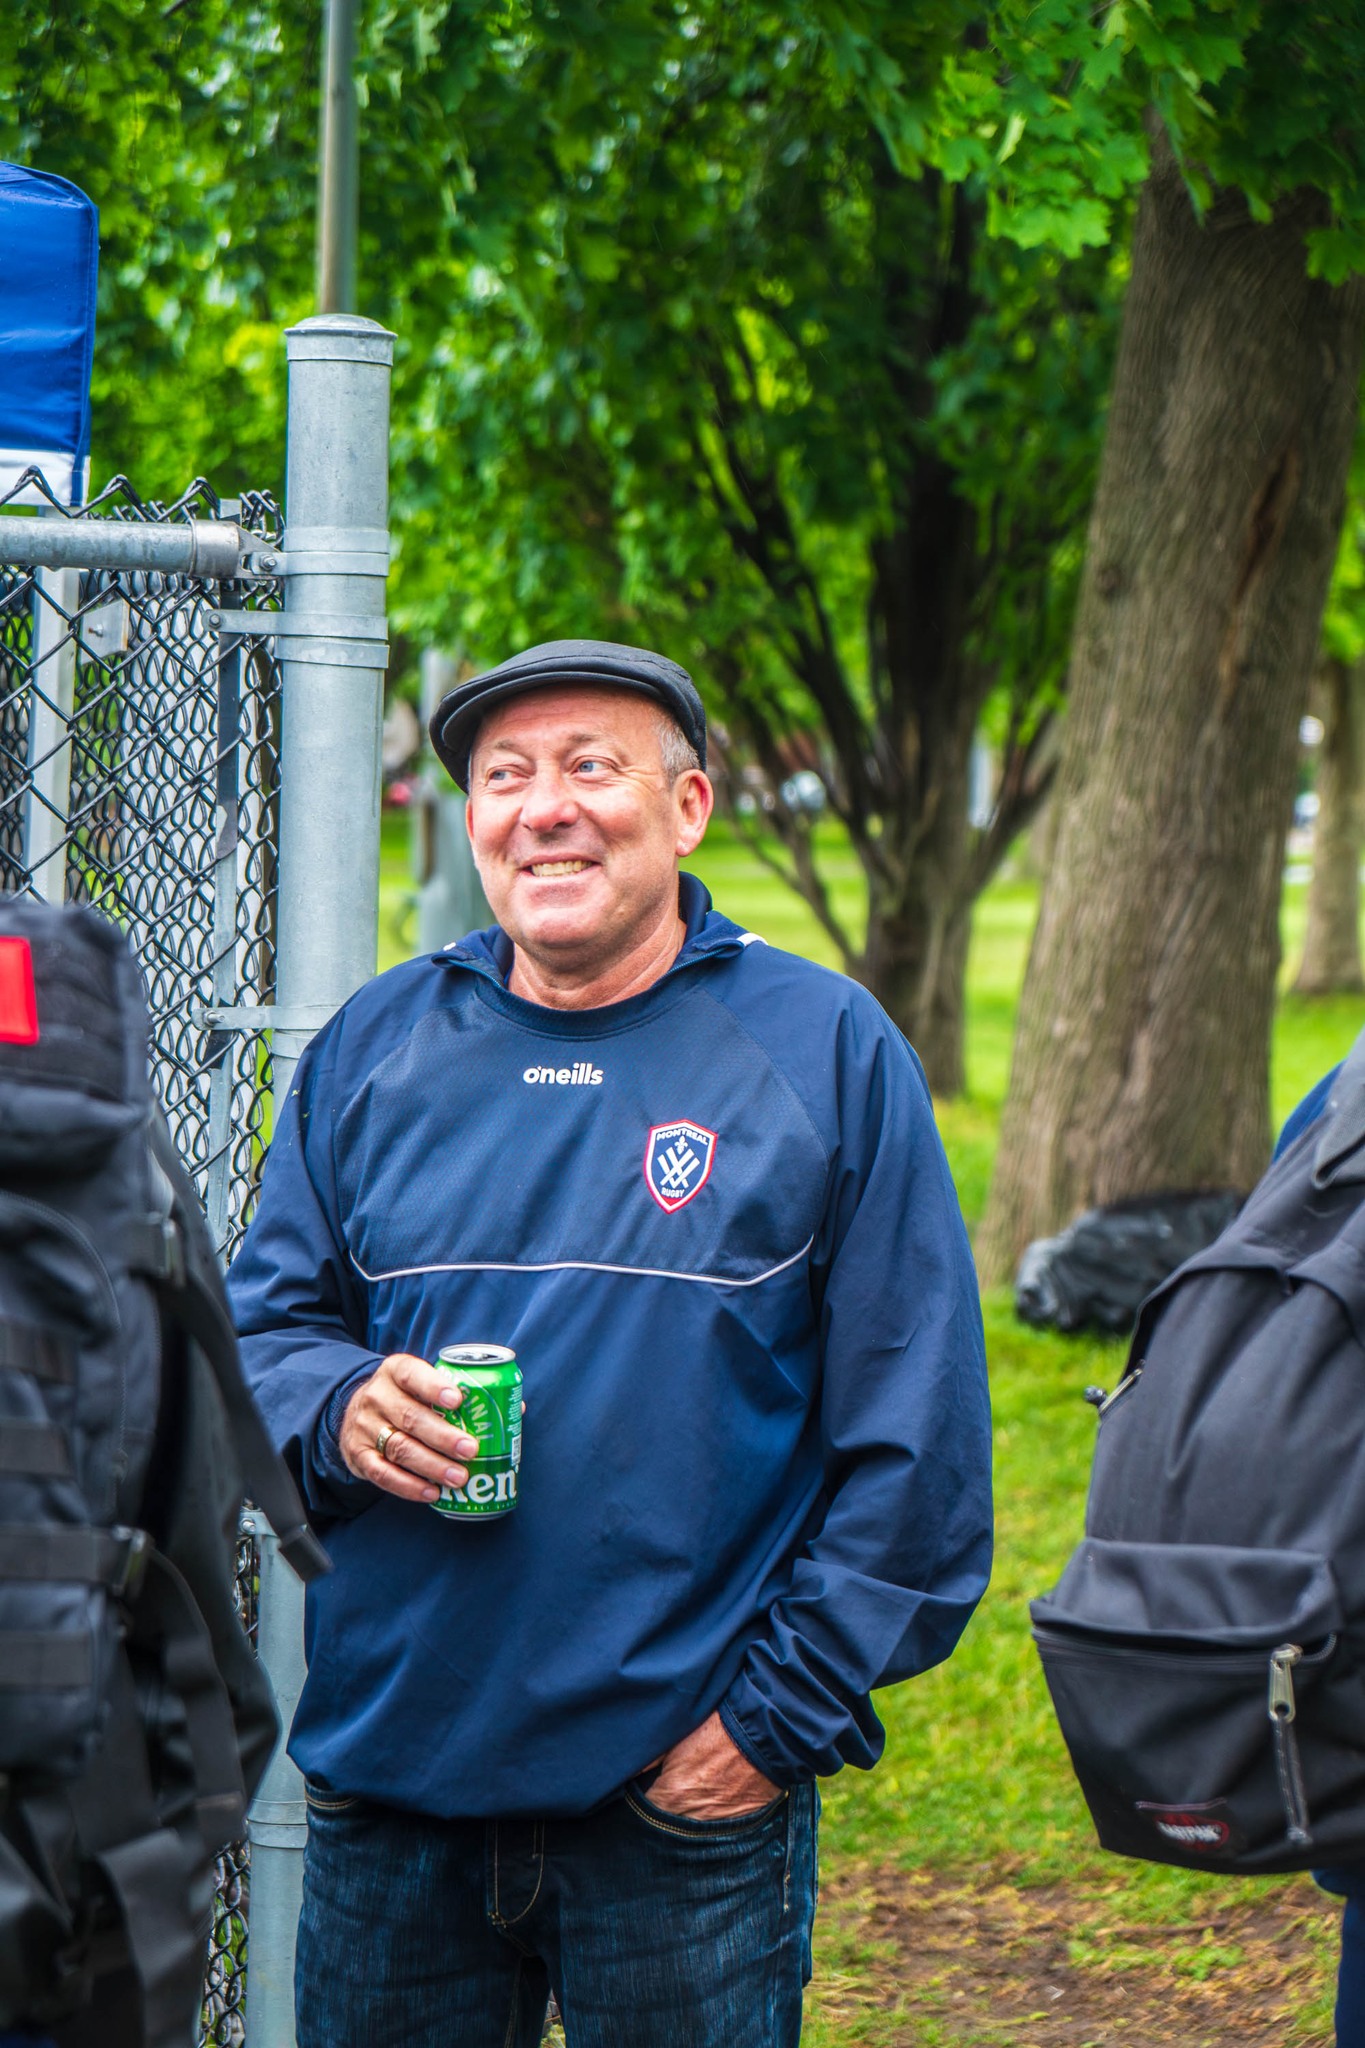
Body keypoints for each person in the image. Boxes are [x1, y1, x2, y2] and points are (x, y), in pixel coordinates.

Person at [229, 638, 993, 2048]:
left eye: (592, 768)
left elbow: (919, 1452)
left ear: (689, 806)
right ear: (469, 821)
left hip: (678, 1816)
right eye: (505, 778)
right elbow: (261, 1329)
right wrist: (334, 1406)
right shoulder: (375, 1046)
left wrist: (769, 1730)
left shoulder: (819, 1050)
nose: (544, 808)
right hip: (394, 1793)